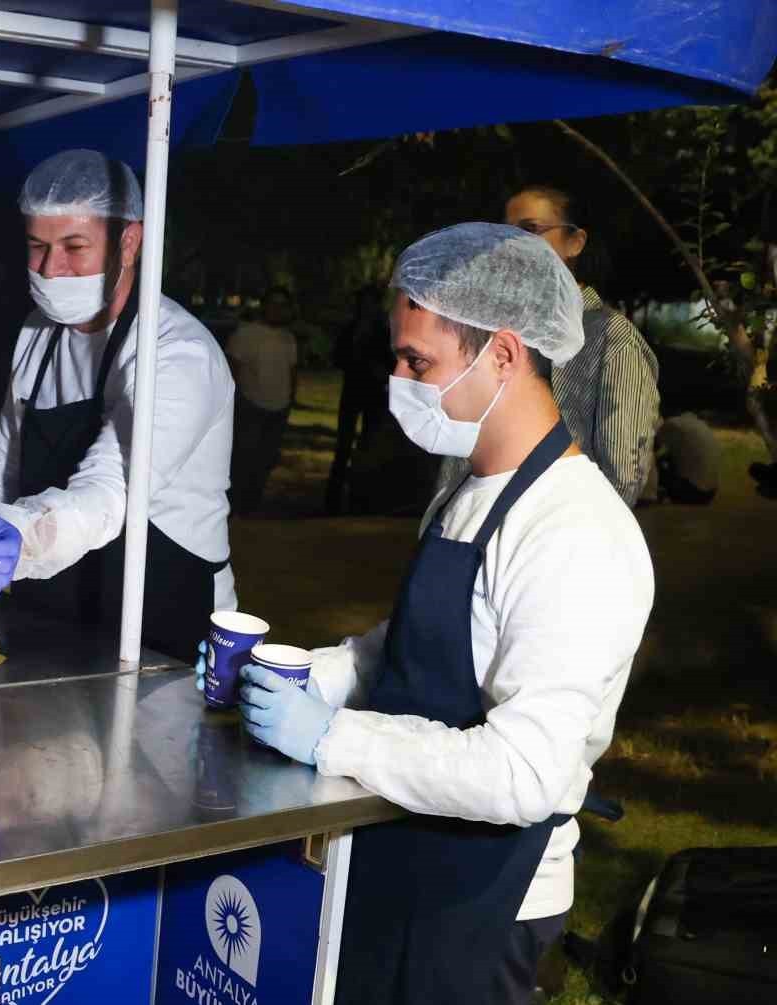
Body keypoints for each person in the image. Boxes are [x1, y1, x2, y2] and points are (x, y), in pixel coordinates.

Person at [238, 224, 654, 1004]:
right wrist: (306, 676)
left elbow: (524, 772)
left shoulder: (575, 532)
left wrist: (333, 736)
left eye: (417, 362)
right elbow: (416, 644)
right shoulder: (467, 490)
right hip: (404, 847)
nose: (397, 379)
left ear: (503, 354)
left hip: (488, 898)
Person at [0, 149, 235, 660]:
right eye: (37, 246)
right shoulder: (38, 334)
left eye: (74, 247)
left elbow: (110, 489)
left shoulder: (178, 353)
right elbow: (5, 460)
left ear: (129, 242)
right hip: (63, 604)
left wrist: (23, 538)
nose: (50, 268)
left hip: (164, 612)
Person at [433, 186, 660, 506]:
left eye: (530, 229)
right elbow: (460, 456)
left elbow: (623, 475)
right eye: (505, 233)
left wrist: (560, 529)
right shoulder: (493, 333)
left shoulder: (613, 339)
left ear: (575, 242)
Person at [225, 286, 299, 515]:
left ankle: (250, 511)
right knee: (243, 464)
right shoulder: (245, 334)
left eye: (283, 305)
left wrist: (290, 402)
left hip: (278, 410)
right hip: (251, 408)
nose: (278, 309)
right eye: (274, 303)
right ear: (265, 306)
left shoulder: (288, 338)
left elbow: (292, 371)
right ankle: (234, 512)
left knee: (264, 464)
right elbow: (232, 370)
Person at [327, 285, 395, 514]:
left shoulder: (384, 331)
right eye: (363, 303)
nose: (366, 308)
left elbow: (392, 362)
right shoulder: (351, 329)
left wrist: (380, 369)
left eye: (370, 303)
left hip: (374, 395)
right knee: (343, 446)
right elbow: (337, 358)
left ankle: (360, 499)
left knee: (368, 446)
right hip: (353, 392)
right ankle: (333, 501)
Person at [653, 411, 721, 504]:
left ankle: (651, 493)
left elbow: (653, 449)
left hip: (693, 491)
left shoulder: (672, 424)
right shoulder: (700, 424)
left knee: (653, 464)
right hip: (710, 494)